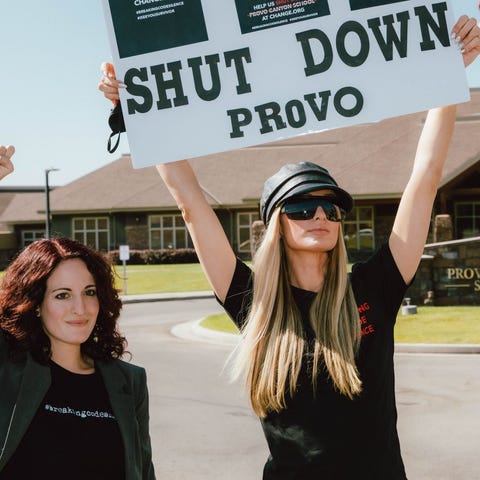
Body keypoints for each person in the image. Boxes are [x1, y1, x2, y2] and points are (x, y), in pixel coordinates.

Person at [99, 15, 480, 479]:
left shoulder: (375, 286)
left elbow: (424, 180)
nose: (319, 216)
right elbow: (191, 204)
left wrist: (448, 77)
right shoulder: (254, 300)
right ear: (276, 225)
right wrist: (140, 110)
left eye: (330, 209)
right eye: (300, 208)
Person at [0, 234, 155, 476]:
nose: (80, 308)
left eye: (89, 292)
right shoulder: (8, 368)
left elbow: (143, 471)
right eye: (62, 295)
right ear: (36, 304)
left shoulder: (129, 382)